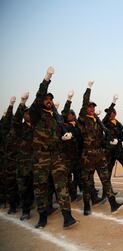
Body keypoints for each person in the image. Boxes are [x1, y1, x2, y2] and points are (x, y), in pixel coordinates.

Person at [29, 66, 78, 229]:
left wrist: (66, 137)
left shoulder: (57, 118)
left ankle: (67, 216)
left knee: (61, 185)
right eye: (46, 99)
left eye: (50, 99)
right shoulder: (36, 113)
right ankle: (42, 216)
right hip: (41, 157)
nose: (48, 100)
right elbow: (38, 97)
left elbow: (62, 130)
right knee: (41, 188)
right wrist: (47, 79)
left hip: (57, 156)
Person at [78, 80, 123, 216]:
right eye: (89, 107)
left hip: (99, 154)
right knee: (87, 183)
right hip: (88, 156)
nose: (91, 109)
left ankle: (113, 203)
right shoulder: (83, 119)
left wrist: (111, 142)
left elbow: (101, 138)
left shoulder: (97, 121)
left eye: (93, 107)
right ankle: (87, 206)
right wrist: (88, 88)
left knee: (106, 180)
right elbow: (84, 102)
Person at [13, 92, 35, 220]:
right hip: (23, 164)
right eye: (26, 113)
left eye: (29, 113)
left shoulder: (36, 127)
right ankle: (25, 210)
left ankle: (34, 205)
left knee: (36, 188)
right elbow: (16, 120)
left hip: (36, 163)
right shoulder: (20, 128)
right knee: (24, 188)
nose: (28, 115)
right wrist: (21, 104)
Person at [61, 90, 84, 201]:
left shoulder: (78, 125)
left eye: (72, 114)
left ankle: (76, 192)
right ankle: (73, 194)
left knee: (78, 174)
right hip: (68, 155)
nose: (71, 116)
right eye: (69, 114)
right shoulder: (64, 126)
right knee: (68, 177)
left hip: (77, 154)